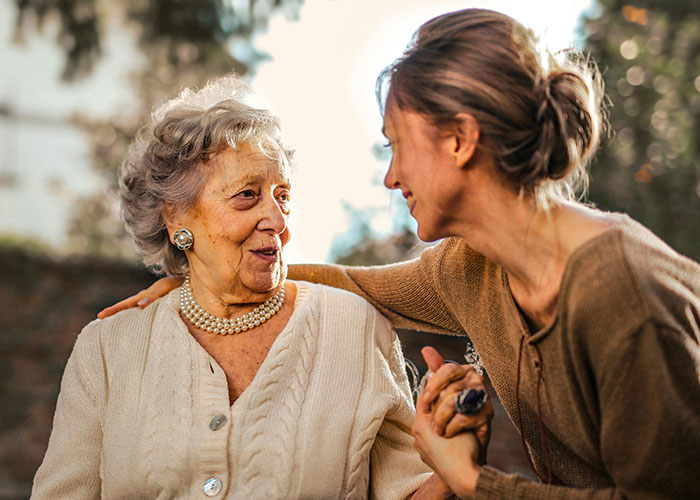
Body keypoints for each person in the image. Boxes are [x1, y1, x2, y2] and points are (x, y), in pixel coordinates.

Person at [99, 8, 700, 500]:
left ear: (460, 140)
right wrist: (205, 282)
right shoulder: (472, 269)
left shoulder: (623, 293)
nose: (390, 177)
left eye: (397, 146)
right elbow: (355, 285)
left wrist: (471, 479)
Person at [31, 76, 464, 499]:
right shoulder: (107, 349)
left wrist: (451, 472)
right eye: (247, 196)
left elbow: (406, 491)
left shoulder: (355, 329)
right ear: (176, 217)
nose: (277, 220)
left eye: (283, 196)